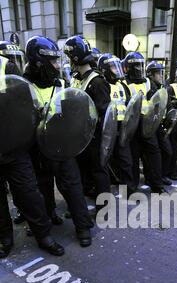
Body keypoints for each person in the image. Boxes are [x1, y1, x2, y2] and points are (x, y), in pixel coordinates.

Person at [24, 35, 93, 247]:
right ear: (39, 62)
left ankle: (83, 227)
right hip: (37, 147)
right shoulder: (24, 86)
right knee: (42, 187)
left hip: (62, 146)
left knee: (72, 186)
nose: (57, 65)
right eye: (53, 61)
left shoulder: (62, 82)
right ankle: (50, 214)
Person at [0, 40, 64, 258]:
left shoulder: (5, 65)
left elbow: (22, 103)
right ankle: (4, 239)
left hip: (14, 145)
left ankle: (43, 235)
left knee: (30, 194)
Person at [64, 35, 112, 202]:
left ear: (75, 58)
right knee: (84, 168)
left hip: (95, 136)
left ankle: (105, 205)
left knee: (99, 170)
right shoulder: (77, 79)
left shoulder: (97, 82)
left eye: (69, 58)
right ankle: (88, 193)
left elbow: (105, 116)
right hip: (81, 136)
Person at [121, 51, 166, 193]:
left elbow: (155, 100)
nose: (140, 69)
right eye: (136, 66)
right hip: (133, 126)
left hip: (148, 124)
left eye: (141, 66)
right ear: (129, 67)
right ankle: (132, 188)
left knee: (154, 154)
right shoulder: (124, 83)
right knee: (133, 157)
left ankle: (156, 184)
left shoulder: (148, 82)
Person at [97, 52, 136, 195]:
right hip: (108, 129)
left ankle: (129, 190)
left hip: (122, 128)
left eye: (117, 67)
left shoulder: (122, 86)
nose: (117, 70)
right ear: (105, 69)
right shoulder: (103, 85)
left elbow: (130, 105)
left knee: (126, 161)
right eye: (113, 67)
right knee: (105, 161)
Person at [146, 60, 173, 186]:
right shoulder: (149, 88)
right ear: (151, 75)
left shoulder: (162, 88)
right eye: (158, 73)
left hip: (159, 125)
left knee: (167, 151)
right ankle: (154, 179)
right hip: (149, 125)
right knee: (153, 154)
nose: (161, 76)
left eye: (162, 73)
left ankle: (161, 175)